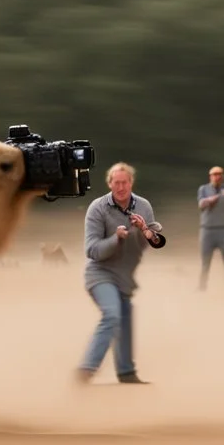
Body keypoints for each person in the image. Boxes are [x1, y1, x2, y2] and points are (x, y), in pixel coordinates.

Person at [76, 162, 167, 385]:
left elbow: (156, 242)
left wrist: (144, 230)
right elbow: (92, 250)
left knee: (126, 316)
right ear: (109, 184)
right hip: (100, 274)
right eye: (116, 183)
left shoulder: (143, 206)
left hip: (125, 277)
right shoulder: (98, 208)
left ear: (131, 183)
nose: (120, 187)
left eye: (124, 182)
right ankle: (86, 369)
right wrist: (116, 238)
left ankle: (126, 373)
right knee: (112, 314)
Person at [196, 165, 224, 290]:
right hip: (207, 230)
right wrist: (213, 199)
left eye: (220, 174)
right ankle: (202, 286)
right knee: (205, 262)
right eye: (215, 174)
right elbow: (201, 204)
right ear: (210, 177)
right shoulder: (203, 189)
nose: (217, 177)